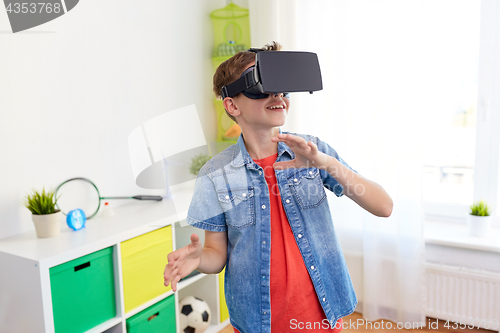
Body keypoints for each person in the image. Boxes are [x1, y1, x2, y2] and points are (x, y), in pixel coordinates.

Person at [164, 42, 393, 333]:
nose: (277, 96)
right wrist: (199, 260)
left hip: (322, 315)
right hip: (258, 322)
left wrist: (324, 163)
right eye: (261, 87)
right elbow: (216, 254)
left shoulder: (312, 151)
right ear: (232, 105)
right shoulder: (215, 175)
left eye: (283, 89)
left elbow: (384, 206)